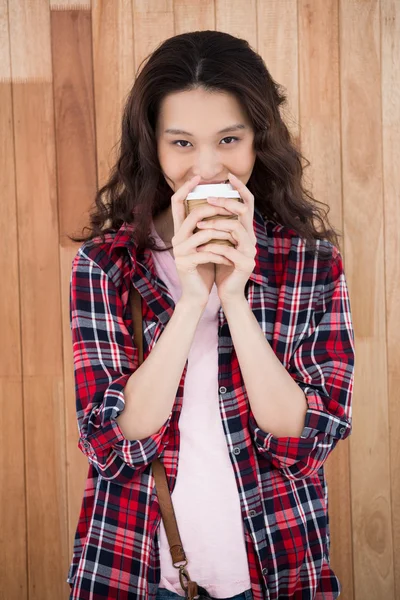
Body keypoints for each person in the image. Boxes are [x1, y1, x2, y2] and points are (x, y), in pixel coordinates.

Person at [67, 30, 355, 600]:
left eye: (228, 139)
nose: (207, 167)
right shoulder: (104, 267)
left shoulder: (311, 265)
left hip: (278, 570)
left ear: (257, 142)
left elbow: (305, 437)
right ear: (153, 145)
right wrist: (192, 297)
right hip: (133, 570)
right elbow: (112, 438)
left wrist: (235, 296)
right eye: (181, 143)